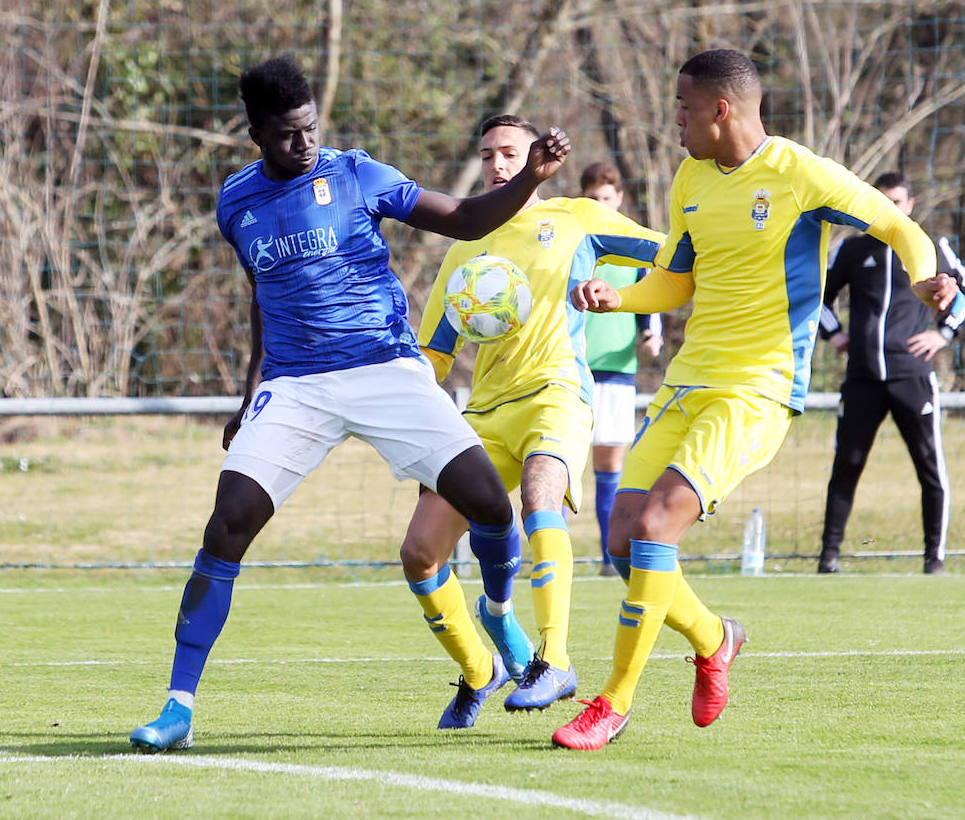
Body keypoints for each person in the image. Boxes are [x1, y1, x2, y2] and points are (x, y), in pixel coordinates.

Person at [129, 56, 572, 752]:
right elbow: (262, 295)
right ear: (255, 135)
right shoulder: (236, 202)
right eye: (286, 135)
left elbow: (464, 219)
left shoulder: (356, 172)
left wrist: (528, 179)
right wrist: (249, 394)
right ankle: (178, 707)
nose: (303, 144)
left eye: (310, 128)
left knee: (489, 502)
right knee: (227, 525)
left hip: (384, 368)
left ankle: (502, 619)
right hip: (296, 385)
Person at [553, 49, 957, 751]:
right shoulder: (689, 177)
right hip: (687, 381)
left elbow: (900, 228)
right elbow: (676, 281)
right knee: (622, 541)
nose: (673, 119)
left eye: (683, 107)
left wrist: (924, 278)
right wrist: (620, 295)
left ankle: (612, 703)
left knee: (654, 530)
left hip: (756, 391)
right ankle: (715, 639)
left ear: (721, 109)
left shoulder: (798, 174)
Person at [407, 116, 664, 714]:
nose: (497, 164)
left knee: (540, 494)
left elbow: (671, 252)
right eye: (488, 155)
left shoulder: (579, 218)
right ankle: (481, 669)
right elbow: (435, 353)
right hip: (485, 413)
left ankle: (555, 660)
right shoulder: (468, 245)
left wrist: (630, 296)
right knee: (420, 552)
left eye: (510, 154)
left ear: (537, 160)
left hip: (557, 392)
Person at [816, 172, 965, 575]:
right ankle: (828, 558)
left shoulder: (930, 247)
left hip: (912, 376)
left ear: (911, 204)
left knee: (929, 466)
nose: (891, 208)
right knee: (847, 464)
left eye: (898, 201)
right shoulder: (853, 248)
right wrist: (834, 334)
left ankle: (934, 559)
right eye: (882, 200)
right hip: (863, 377)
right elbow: (818, 296)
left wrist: (943, 333)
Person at [578, 162, 664, 577]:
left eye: (606, 198)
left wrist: (651, 333)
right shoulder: (574, 243)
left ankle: (609, 556)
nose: (600, 205)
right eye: (592, 198)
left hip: (614, 370)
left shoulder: (633, 244)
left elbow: (650, 297)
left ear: (620, 199)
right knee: (554, 466)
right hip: (569, 370)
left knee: (609, 469)